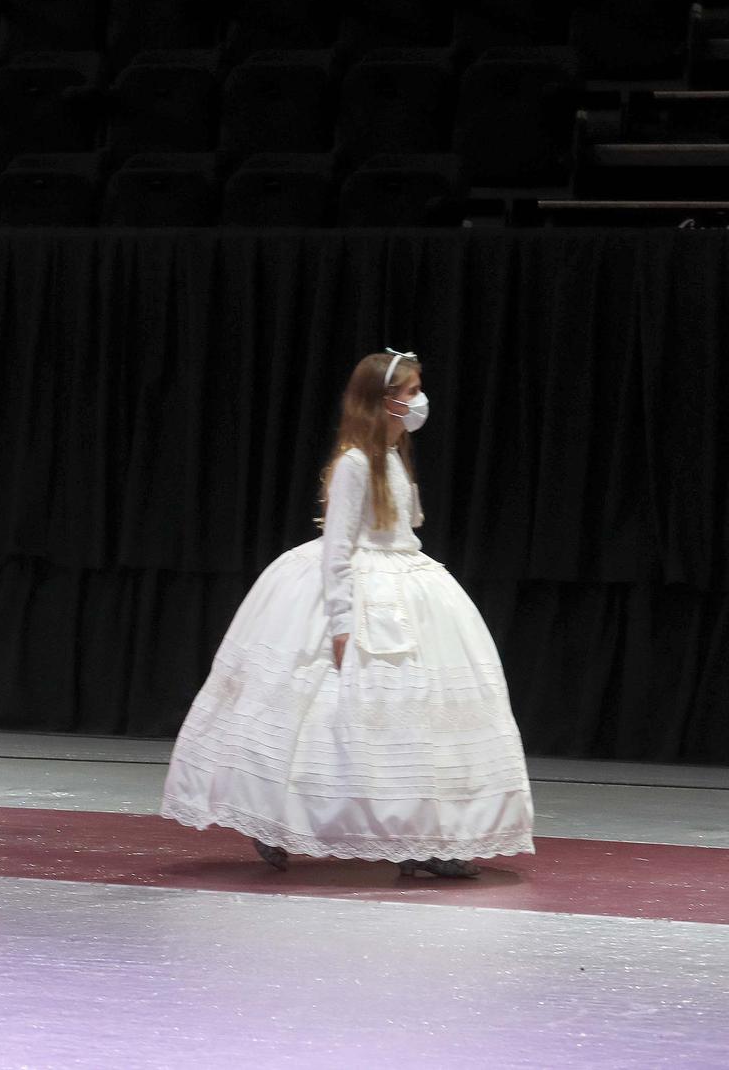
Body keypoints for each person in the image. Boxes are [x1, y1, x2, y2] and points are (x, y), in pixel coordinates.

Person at [160, 349, 535, 878]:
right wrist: (340, 623)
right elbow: (337, 550)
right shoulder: (357, 462)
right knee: (322, 716)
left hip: (406, 581)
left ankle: (423, 836)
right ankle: (276, 819)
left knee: (415, 717)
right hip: (362, 591)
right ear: (383, 401)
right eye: (408, 393)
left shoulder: (394, 458)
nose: (417, 401)